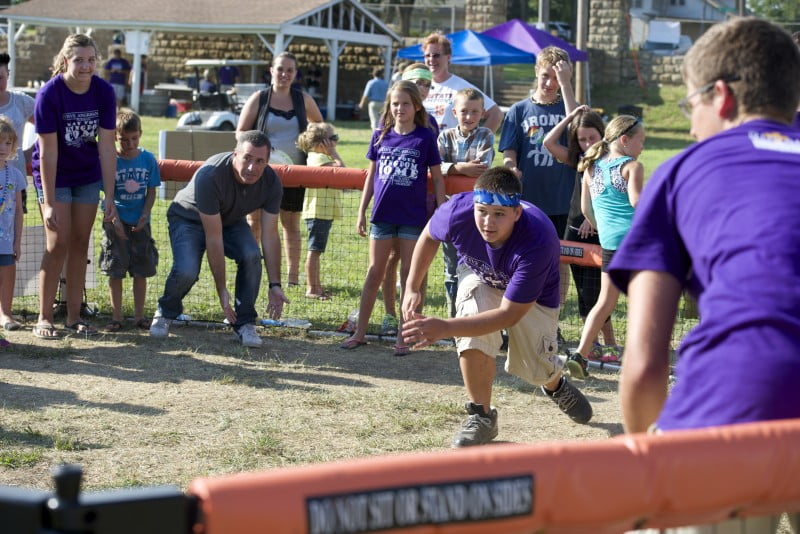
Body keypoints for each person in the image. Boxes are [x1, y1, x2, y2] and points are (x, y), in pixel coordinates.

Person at [610, 18, 800, 533]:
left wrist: (644, 461)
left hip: (736, 403)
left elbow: (644, 365)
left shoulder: (683, 170)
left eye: (690, 105)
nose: (692, 127)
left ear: (721, 96)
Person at [401, 167, 592, 448]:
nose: (488, 222)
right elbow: (429, 235)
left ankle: (554, 383)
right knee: (471, 327)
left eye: (499, 214)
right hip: (480, 274)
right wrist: (412, 287)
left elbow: (508, 315)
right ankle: (481, 415)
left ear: (517, 213)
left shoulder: (537, 239)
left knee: (536, 367)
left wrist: (444, 327)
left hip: (532, 297)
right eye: (482, 211)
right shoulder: (457, 210)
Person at [150, 130, 289, 348]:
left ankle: (244, 322)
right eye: (247, 158)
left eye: (259, 161)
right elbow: (214, 238)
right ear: (235, 154)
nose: (252, 167)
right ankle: (166, 311)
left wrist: (275, 284)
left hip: (230, 220)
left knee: (251, 255)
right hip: (188, 218)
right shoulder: (211, 175)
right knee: (187, 270)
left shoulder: (271, 182)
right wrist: (221, 289)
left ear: (267, 161)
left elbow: (270, 235)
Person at [340, 80, 445, 356]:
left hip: (412, 217)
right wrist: (362, 211)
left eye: (405, 104)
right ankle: (360, 332)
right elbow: (371, 176)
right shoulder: (381, 135)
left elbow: (437, 177)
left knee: (410, 275)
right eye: (395, 104)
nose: (400, 108)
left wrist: (440, 208)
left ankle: (404, 336)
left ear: (416, 106)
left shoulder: (425, 137)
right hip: (383, 215)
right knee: (375, 272)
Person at [32, 34, 118, 339]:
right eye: (79, 60)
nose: (86, 66)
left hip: (87, 175)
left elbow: (107, 146)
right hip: (54, 175)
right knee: (58, 243)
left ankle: (73, 317)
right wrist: (49, 203)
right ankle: (44, 317)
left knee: (81, 243)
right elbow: (48, 153)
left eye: (91, 60)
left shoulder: (104, 91)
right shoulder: (49, 94)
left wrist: (110, 195)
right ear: (65, 60)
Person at [499, 45, 578, 344]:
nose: (549, 83)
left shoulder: (568, 106)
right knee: (520, 260)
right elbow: (509, 151)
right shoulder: (519, 110)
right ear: (536, 71)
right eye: (545, 76)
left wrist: (567, 84)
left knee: (559, 263)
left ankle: (550, 323)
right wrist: (511, 167)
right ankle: (513, 321)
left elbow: (578, 126)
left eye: (556, 78)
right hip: (527, 201)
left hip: (562, 200)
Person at [562, 114, 644, 379]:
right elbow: (636, 202)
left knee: (605, 302)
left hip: (609, 244)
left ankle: (580, 354)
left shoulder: (591, 167)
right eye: (641, 141)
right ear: (625, 140)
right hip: (635, 242)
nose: (643, 147)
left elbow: (585, 209)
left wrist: (601, 228)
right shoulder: (632, 166)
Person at [237, 51, 324, 287]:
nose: (284, 74)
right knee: (255, 222)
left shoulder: (303, 99)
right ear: (271, 70)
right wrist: (258, 150)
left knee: (290, 224)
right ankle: (250, 270)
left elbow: (320, 126)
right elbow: (241, 132)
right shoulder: (259, 98)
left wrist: (313, 139)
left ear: (295, 74)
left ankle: (292, 277)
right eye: (280, 69)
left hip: (295, 174)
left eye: (290, 70)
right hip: (261, 173)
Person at [542, 105, 618, 360]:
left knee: (598, 294)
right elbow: (548, 142)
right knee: (584, 293)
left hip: (599, 232)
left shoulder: (612, 161)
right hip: (574, 232)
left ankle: (610, 344)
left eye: (591, 138)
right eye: (581, 139)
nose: (587, 144)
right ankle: (592, 345)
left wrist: (591, 219)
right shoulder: (579, 160)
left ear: (603, 134)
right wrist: (570, 118)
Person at [378, 62, 439, 337]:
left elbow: (437, 164)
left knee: (417, 262)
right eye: (417, 82)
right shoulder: (387, 122)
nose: (422, 87)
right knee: (390, 259)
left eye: (426, 84)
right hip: (392, 201)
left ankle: (415, 316)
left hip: (420, 200)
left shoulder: (430, 124)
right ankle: (390, 314)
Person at [99, 109, 160, 333]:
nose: (130, 144)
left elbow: (151, 191)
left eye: (134, 138)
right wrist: (114, 219)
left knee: (140, 270)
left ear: (140, 134)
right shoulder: (110, 160)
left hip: (140, 223)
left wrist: (145, 214)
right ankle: (117, 317)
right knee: (115, 270)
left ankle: (139, 316)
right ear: (115, 137)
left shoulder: (148, 159)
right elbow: (106, 194)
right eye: (124, 139)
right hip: (115, 221)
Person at [437, 87, 495, 317]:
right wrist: (460, 167)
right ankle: (452, 317)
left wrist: (450, 169)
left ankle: (476, 315)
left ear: (482, 113)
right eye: (464, 111)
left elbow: (481, 167)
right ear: (454, 112)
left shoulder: (486, 136)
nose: (469, 116)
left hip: (478, 211)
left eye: (474, 112)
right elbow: (436, 166)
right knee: (451, 267)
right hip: (451, 211)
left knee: (478, 265)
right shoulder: (445, 137)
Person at [297, 122, 344, 300]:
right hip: (318, 212)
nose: (336, 141)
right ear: (323, 142)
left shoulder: (318, 158)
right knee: (314, 251)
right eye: (334, 138)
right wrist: (334, 153)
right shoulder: (319, 159)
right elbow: (342, 172)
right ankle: (312, 289)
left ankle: (317, 286)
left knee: (316, 250)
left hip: (321, 211)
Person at [421, 33, 503, 133]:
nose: (431, 59)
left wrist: (480, 139)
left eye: (436, 55)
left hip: (452, 143)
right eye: (427, 55)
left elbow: (496, 114)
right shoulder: (419, 87)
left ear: (448, 57)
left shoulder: (461, 87)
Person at [0, 117, 27, 345]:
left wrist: (17, 241)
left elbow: (19, 212)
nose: (3, 147)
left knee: (7, 276)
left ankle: (5, 313)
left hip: (6, 240)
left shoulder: (15, 175)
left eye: (7, 143)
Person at [0, 52, 35, 216]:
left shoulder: (21, 101)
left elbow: (48, 124)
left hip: (15, 180)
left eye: (0, 77)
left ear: (8, 75)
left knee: (15, 225)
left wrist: (31, 152)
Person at [358, 66, 389, 130]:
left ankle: (375, 133)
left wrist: (361, 104)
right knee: (382, 121)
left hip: (373, 103)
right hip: (383, 104)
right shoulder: (385, 83)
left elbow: (365, 94)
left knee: (374, 121)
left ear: (373, 74)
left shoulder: (371, 82)